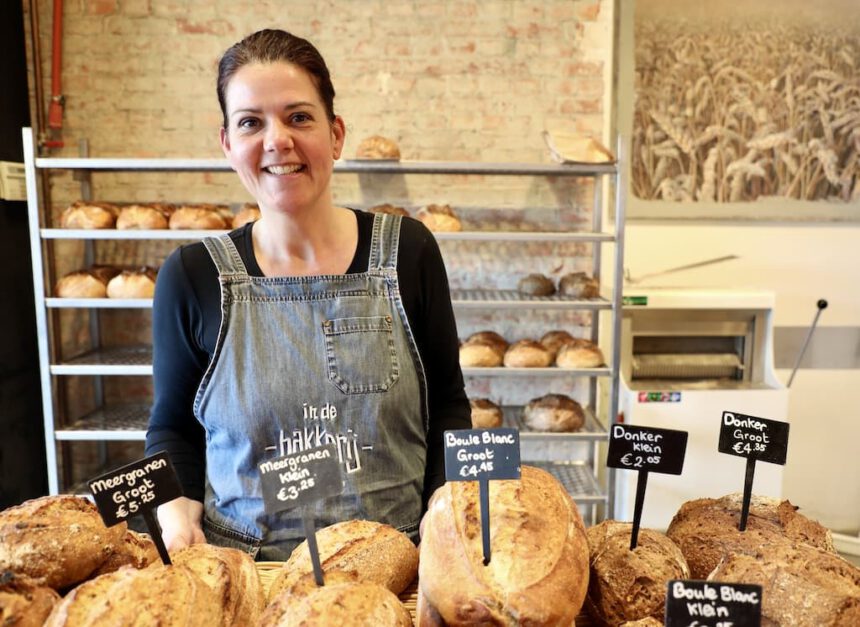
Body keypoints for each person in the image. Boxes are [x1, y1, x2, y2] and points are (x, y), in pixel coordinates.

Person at [145, 28, 470, 561]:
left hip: (398, 567)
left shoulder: (408, 252)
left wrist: (445, 508)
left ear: (336, 135)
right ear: (228, 145)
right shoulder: (192, 274)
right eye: (251, 122)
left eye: (298, 117)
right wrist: (176, 515)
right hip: (247, 571)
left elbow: (448, 406)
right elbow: (172, 428)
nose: (277, 140)